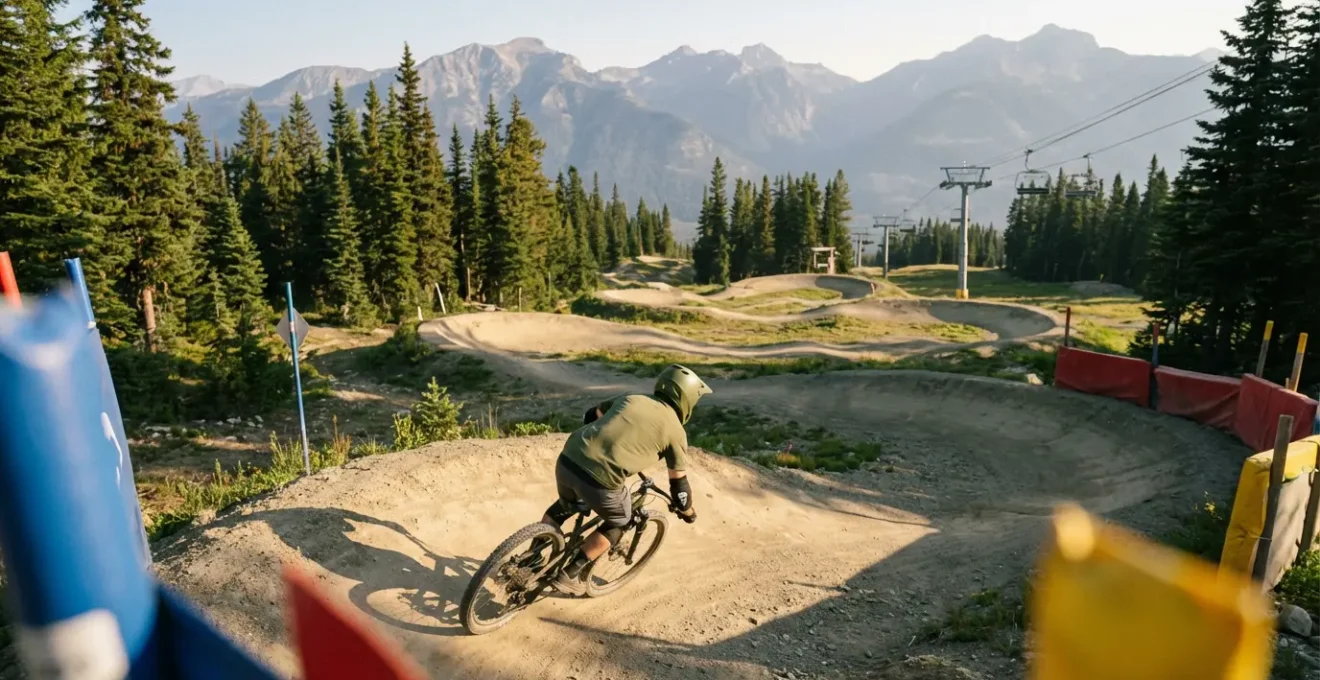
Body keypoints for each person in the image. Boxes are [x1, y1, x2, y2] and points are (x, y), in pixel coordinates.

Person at [539, 364, 711, 595]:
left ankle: (532, 556)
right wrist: (687, 511)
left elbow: (591, 415)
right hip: (602, 480)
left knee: (564, 506)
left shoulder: (633, 398)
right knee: (621, 520)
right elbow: (679, 486)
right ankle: (570, 573)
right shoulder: (676, 431)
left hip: (568, 458)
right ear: (687, 400)